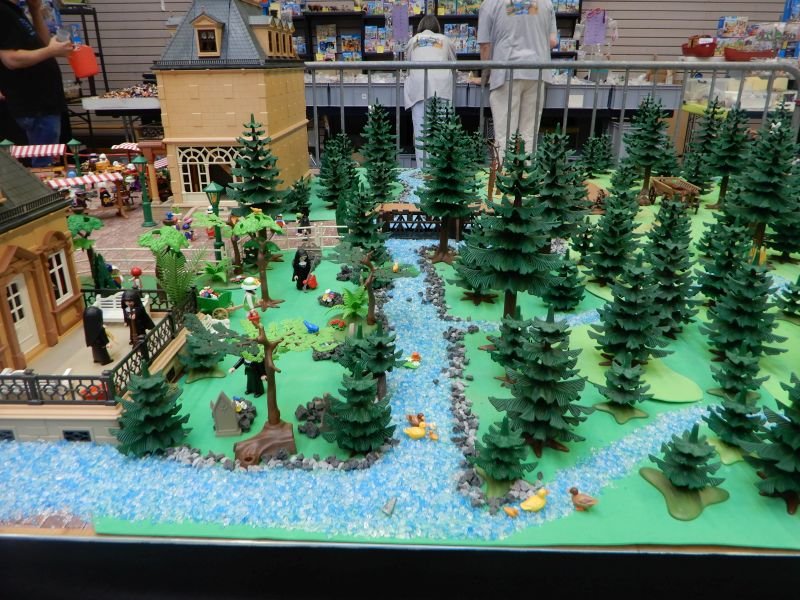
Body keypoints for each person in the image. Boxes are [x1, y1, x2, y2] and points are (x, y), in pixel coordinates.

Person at [477, 0, 558, 161]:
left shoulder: (490, 3)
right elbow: (552, 41)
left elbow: (485, 46)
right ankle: (527, 172)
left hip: (505, 71)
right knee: (529, 133)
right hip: (537, 71)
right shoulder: (545, 3)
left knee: (504, 133)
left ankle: (504, 173)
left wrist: (486, 74)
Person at [0, 0, 73, 166]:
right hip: (33, 105)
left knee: (49, 160)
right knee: (43, 164)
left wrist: (35, 10)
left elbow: (43, 44)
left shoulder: (14, 11)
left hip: (45, 103)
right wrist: (51, 51)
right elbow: (11, 59)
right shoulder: (2, 11)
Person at [403, 15, 456, 170]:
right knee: (442, 131)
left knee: (421, 133)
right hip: (441, 88)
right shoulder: (445, 40)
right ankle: (440, 173)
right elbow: (454, 63)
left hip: (419, 89)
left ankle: (423, 172)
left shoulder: (413, 40)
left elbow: (407, 65)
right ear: (437, 27)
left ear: (420, 27)